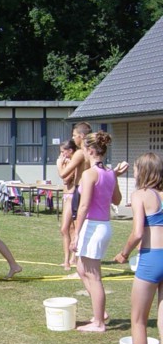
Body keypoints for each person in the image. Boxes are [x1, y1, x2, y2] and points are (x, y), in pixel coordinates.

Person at [114, 153, 163, 344]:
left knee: (138, 321)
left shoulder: (140, 195)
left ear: (143, 171)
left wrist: (123, 253)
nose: (133, 172)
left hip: (151, 258)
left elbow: (137, 233)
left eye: (135, 168)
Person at [70, 131, 122, 332]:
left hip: (93, 226)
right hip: (102, 226)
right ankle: (100, 312)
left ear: (90, 150)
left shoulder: (89, 174)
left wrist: (75, 235)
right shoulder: (109, 174)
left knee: (93, 275)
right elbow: (116, 199)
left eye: (83, 149)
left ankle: (99, 322)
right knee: (82, 269)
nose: (82, 153)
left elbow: (83, 207)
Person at [56, 140, 78, 270]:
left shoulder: (74, 162)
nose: (61, 155)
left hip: (72, 196)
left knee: (70, 228)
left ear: (70, 151)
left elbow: (65, 179)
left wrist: (60, 165)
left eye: (63, 151)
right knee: (66, 228)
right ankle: (67, 259)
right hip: (66, 196)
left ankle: (72, 259)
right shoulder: (67, 162)